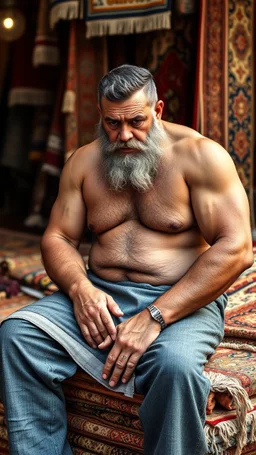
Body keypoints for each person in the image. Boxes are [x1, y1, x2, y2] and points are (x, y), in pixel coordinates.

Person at [0, 64, 253, 455]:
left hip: (180, 298)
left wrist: (155, 316)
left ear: (159, 110)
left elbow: (236, 247)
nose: (123, 135)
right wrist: (81, 289)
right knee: (17, 336)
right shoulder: (84, 162)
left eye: (136, 121)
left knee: (176, 369)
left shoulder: (201, 157)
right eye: (112, 124)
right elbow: (58, 237)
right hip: (102, 291)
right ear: (101, 116)